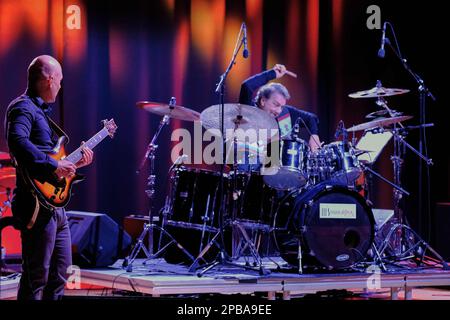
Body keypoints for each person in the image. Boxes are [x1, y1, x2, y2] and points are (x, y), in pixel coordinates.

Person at [4, 55, 94, 300]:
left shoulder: (40, 113)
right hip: (35, 206)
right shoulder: (22, 107)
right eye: (60, 80)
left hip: (56, 206)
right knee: (36, 277)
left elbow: (51, 156)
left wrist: (74, 162)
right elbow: (17, 142)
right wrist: (54, 165)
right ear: (49, 79)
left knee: (60, 274)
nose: (61, 86)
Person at [239, 64, 322, 151]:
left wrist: (314, 135)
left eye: (281, 107)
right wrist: (272, 74)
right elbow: (247, 86)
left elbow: (311, 118)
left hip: (273, 163)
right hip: (247, 161)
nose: (279, 111)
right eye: (276, 104)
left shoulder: (284, 114)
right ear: (263, 101)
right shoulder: (248, 109)